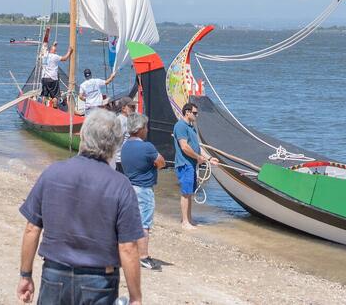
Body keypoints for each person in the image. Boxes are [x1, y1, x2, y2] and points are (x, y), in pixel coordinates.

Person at [17, 108, 143, 305]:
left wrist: (25, 275)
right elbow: (128, 247)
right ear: (115, 144)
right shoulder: (120, 185)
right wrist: (136, 297)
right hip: (99, 280)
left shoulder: (53, 173)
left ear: (83, 135)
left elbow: (32, 228)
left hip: (55, 274)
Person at [121, 112, 165, 271]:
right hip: (143, 188)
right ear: (139, 128)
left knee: (131, 222)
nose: (147, 130)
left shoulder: (125, 146)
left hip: (129, 187)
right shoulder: (147, 147)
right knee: (144, 223)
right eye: (145, 127)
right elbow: (161, 162)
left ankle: (131, 252)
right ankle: (143, 257)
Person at [173, 102, 217, 229]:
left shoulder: (191, 127)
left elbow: (197, 147)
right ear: (187, 112)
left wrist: (209, 158)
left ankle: (189, 220)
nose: (197, 115)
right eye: (195, 113)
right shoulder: (180, 126)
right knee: (186, 193)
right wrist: (198, 158)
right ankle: (185, 222)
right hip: (185, 164)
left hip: (191, 164)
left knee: (190, 193)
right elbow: (184, 147)